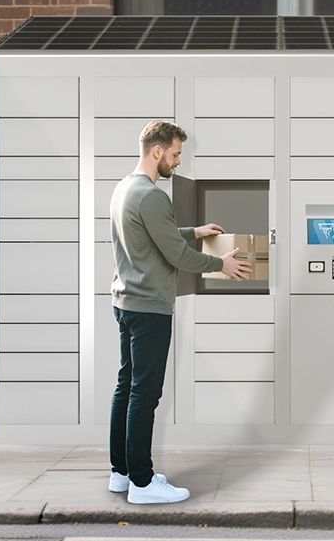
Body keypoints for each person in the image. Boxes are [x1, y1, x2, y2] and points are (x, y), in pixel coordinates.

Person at [107, 120, 251, 504]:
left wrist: (195, 231)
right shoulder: (153, 196)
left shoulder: (124, 189)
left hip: (126, 303)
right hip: (150, 308)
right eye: (175, 154)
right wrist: (222, 265)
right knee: (145, 395)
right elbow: (176, 254)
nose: (178, 161)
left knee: (126, 388)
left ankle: (121, 472)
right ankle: (142, 483)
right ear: (157, 151)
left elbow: (155, 235)